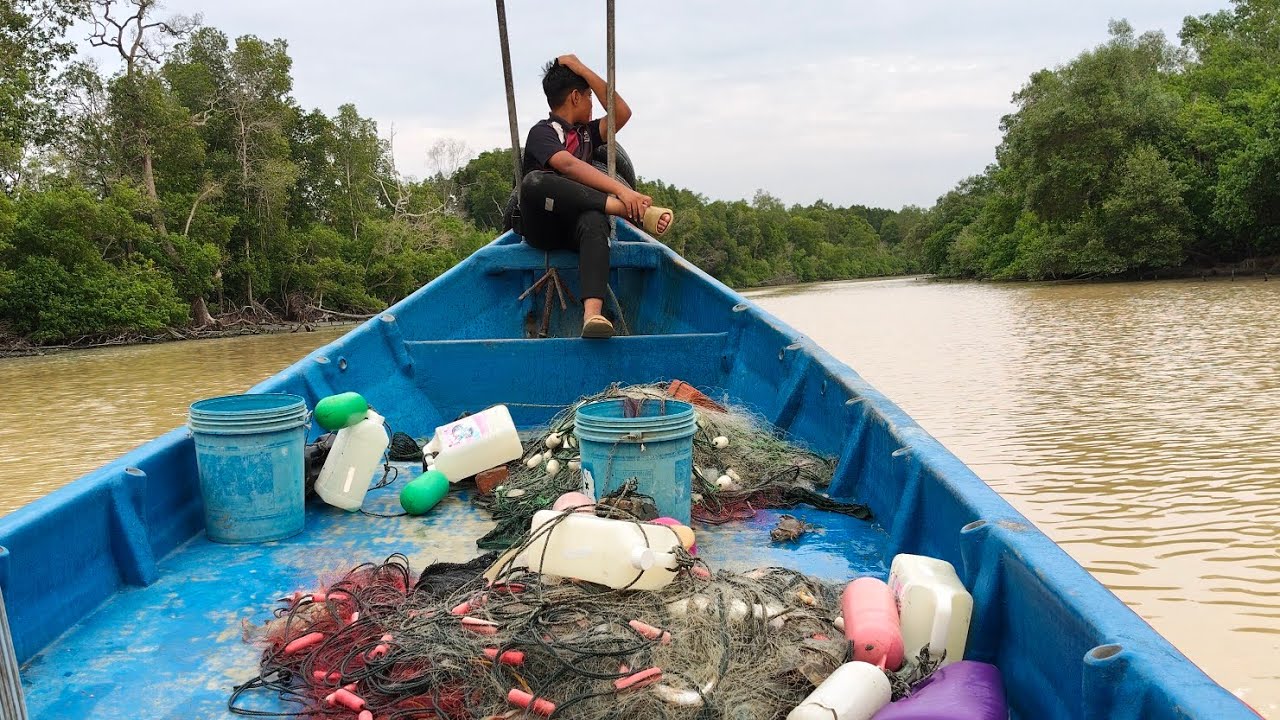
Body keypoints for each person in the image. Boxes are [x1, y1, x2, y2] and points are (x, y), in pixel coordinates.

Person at [519, 54, 673, 339]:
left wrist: (582, 70)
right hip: (543, 226)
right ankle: (623, 209)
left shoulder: (588, 134)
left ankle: (592, 315)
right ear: (575, 97)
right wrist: (622, 192)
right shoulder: (542, 132)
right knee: (534, 181)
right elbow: (567, 164)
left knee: (594, 219)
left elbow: (622, 113)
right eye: (589, 95)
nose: (593, 102)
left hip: (575, 228)